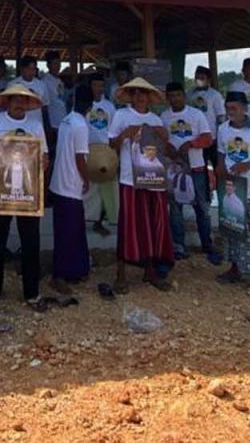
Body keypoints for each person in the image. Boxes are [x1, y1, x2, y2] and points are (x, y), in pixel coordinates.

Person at [0, 84, 49, 310]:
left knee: (30, 242)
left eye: (24, 100)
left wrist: (44, 162)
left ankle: (32, 293)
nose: (20, 103)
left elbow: (44, 155)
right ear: (7, 101)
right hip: (0, 190)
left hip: (29, 192)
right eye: (15, 99)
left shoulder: (36, 125)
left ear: (29, 103)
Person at [109, 78, 173, 291]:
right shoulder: (122, 115)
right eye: (135, 93)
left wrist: (164, 136)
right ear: (131, 95)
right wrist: (124, 135)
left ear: (149, 97)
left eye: (143, 93)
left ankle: (150, 270)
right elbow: (112, 144)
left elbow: (164, 147)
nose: (139, 97)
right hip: (129, 178)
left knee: (153, 223)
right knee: (128, 223)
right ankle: (121, 272)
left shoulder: (156, 119)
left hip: (154, 177)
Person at [215, 92, 250, 294]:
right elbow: (221, 151)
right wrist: (220, 167)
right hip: (231, 186)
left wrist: (247, 164)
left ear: (245, 109)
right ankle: (235, 268)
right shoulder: (222, 129)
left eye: (235, 108)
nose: (231, 112)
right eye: (228, 108)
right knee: (233, 229)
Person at [162, 82, 221, 264]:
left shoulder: (196, 114)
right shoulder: (164, 116)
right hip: (175, 168)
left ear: (184, 96)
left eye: (178, 95)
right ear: (167, 98)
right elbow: (160, 139)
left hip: (196, 167)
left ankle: (206, 243)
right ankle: (179, 245)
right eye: (171, 96)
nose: (175, 99)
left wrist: (192, 144)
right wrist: (168, 147)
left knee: (201, 206)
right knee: (175, 208)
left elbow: (208, 138)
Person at [50, 84, 92, 292]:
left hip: (59, 183)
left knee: (68, 230)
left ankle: (76, 270)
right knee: (69, 232)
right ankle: (60, 275)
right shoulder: (81, 125)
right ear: (91, 106)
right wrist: (87, 179)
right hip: (70, 184)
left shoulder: (66, 120)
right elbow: (80, 159)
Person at [85, 72, 119, 236]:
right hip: (88, 150)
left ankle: (101, 220)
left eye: (101, 85)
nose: (99, 88)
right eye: (95, 85)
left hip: (106, 150)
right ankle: (87, 219)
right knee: (89, 188)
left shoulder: (110, 106)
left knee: (107, 188)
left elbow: (113, 130)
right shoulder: (84, 105)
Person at [188, 65, 226, 165]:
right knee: (200, 166)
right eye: (197, 77)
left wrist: (219, 137)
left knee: (217, 166)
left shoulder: (215, 95)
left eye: (202, 78)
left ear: (208, 79)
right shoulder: (189, 94)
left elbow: (221, 116)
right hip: (196, 138)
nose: (199, 80)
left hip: (212, 137)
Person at [9, 55, 49, 125]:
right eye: (28, 69)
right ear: (22, 69)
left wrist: (46, 126)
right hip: (18, 124)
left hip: (36, 124)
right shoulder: (12, 85)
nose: (31, 72)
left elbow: (45, 106)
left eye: (33, 69)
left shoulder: (42, 85)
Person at [40, 50, 69, 141]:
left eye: (59, 63)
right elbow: (44, 106)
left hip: (63, 120)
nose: (58, 66)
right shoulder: (45, 82)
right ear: (48, 65)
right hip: (53, 123)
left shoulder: (59, 81)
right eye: (55, 63)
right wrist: (47, 125)